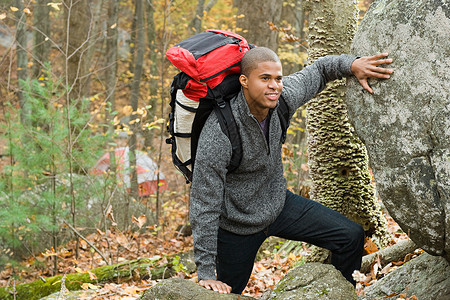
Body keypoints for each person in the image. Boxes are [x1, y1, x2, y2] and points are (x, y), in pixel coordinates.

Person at [189, 47, 394, 294]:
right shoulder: (219, 131)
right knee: (229, 291)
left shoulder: (283, 98)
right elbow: (204, 203)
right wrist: (205, 271)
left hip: (278, 205)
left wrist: (353, 65)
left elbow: (320, 70)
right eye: (264, 78)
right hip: (236, 225)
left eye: (278, 78)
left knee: (349, 235)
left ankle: (341, 295)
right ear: (244, 81)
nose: (274, 85)